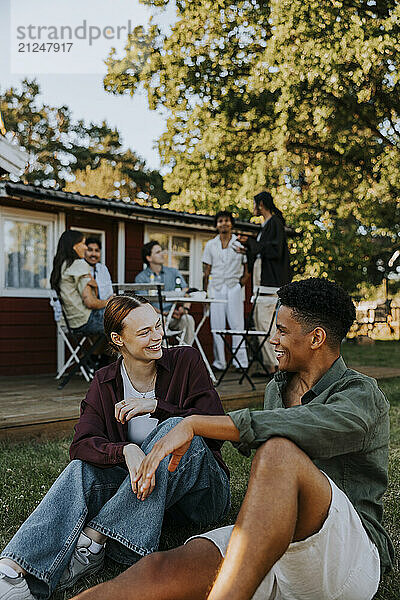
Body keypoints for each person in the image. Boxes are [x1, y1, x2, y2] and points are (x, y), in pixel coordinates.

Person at [71, 278, 393, 600]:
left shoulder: (360, 393)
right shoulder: (277, 389)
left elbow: (309, 424)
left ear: (316, 338)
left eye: (281, 330)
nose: (273, 339)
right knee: (160, 570)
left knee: (278, 451)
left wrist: (194, 423)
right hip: (274, 542)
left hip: (344, 553)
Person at [0, 295, 230, 600]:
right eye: (145, 332)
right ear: (117, 339)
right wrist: (124, 450)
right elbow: (81, 443)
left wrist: (157, 406)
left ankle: (95, 540)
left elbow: (216, 426)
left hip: (200, 495)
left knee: (177, 428)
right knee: (81, 469)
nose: (158, 336)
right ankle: (12, 571)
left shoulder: (185, 360)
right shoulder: (105, 381)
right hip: (147, 498)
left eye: (157, 326)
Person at [237, 191, 291, 375]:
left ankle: (276, 366)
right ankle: (271, 365)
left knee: (265, 324)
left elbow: (274, 251)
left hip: (271, 284)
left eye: (254, 204)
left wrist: (251, 242)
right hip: (263, 283)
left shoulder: (274, 223)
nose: (253, 208)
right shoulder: (266, 225)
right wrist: (246, 248)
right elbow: (262, 251)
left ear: (261, 204)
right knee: (262, 324)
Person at [202, 211, 249, 371]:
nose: (224, 223)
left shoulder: (239, 243)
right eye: (220, 221)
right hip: (215, 289)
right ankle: (219, 362)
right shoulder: (210, 245)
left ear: (231, 224)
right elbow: (206, 270)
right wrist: (205, 292)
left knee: (237, 325)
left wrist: (239, 285)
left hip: (233, 287)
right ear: (216, 224)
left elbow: (247, 270)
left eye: (227, 221)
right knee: (217, 326)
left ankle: (241, 362)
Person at [49, 230, 111, 336]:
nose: (85, 247)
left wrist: (95, 286)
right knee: (126, 320)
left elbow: (91, 297)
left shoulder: (62, 266)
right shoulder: (79, 264)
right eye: (83, 243)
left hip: (71, 322)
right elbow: (90, 302)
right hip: (86, 321)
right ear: (74, 246)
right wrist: (109, 302)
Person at [135, 240, 195, 345]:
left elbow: (187, 291)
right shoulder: (141, 278)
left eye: (161, 251)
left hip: (174, 315)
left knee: (188, 319)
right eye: (158, 252)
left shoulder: (173, 272)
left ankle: (184, 355)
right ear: (149, 258)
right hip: (155, 316)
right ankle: (161, 357)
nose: (162, 254)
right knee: (158, 321)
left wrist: (184, 309)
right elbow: (142, 303)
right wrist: (164, 313)